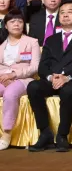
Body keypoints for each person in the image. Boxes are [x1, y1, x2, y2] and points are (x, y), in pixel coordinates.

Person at [27, 2, 72, 152]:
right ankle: (45, 132)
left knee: (67, 90)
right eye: (62, 12)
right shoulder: (51, 39)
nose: (65, 15)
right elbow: (43, 67)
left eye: (70, 12)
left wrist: (67, 77)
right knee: (33, 86)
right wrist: (50, 77)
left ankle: (62, 135)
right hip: (54, 80)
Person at [0, 11, 40, 149]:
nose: (16, 24)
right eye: (12, 21)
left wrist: (13, 75)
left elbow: (34, 67)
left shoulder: (32, 42)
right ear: (6, 26)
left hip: (24, 79)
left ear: (24, 24)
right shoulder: (1, 44)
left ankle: (6, 133)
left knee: (10, 93)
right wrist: (4, 76)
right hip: (2, 79)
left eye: (20, 21)